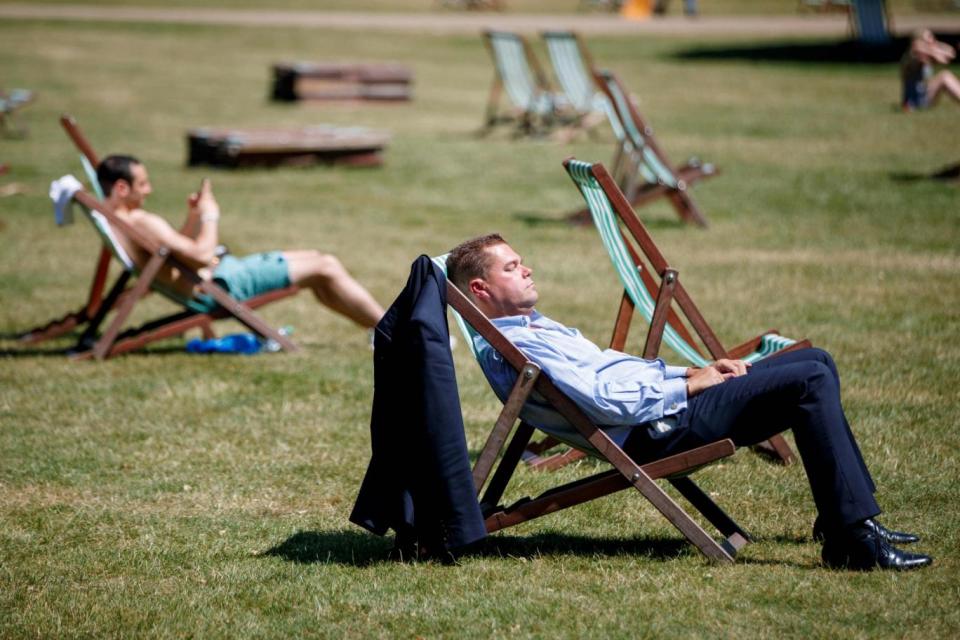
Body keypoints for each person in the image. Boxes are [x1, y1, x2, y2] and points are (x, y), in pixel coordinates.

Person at [445, 233, 933, 571]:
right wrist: (687, 388)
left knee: (817, 362)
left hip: (660, 410)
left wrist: (689, 371)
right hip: (655, 431)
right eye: (512, 267)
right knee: (808, 378)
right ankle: (852, 538)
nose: (527, 269)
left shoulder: (526, 328)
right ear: (480, 290)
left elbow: (609, 371)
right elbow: (604, 400)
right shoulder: (524, 347)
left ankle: (847, 520)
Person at [96, 154, 385, 330]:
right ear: (122, 187)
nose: (149, 189)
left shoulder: (119, 224)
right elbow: (198, 255)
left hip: (218, 276)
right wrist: (210, 216)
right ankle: (392, 333)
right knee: (326, 266)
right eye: (143, 183)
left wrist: (193, 216)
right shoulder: (142, 221)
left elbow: (171, 251)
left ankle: (380, 330)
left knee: (318, 260)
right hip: (219, 286)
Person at [901, 29, 960, 111]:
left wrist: (936, 44)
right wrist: (935, 52)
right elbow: (917, 47)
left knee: (945, 75)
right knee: (944, 76)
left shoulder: (928, 57)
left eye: (932, 37)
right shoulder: (912, 57)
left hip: (924, 96)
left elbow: (951, 53)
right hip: (913, 103)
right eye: (928, 37)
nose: (931, 40)